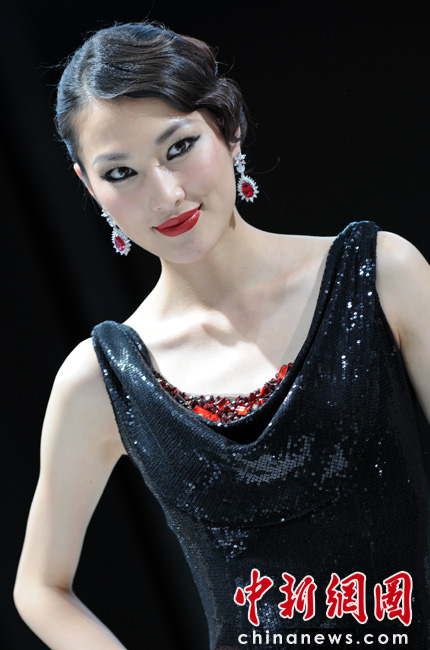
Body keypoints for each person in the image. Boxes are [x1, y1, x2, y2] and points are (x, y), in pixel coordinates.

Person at [14, 21, 430, 650]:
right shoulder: (102, 378)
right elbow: (40, 587)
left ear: (228, 127)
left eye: (179, 146)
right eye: (121, 172)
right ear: (88, 186)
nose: (166, 193)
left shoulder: (380, 275)